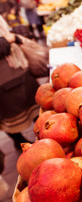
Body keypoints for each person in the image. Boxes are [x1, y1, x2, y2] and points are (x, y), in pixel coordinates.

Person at [0, 16, 39, 150]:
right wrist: (6, 41)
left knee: (35, 107)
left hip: (15, 72)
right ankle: (21, 143)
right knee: (12, 116)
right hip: (5, 80)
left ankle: (44, 135)